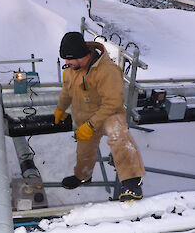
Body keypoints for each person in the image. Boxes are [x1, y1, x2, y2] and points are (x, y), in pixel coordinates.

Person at [54, 32, 145, 201]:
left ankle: (132, 182)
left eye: (69, 59)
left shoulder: (107, 71)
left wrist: (91, 125)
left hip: (108, 115)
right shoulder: (71, 70)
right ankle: (83, 175)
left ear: (81, 55)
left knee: (118, 134)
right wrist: (60, 109)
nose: (66, 63)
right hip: (85, 118)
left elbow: (113, 103)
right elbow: (67, 91)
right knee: (84, 152)